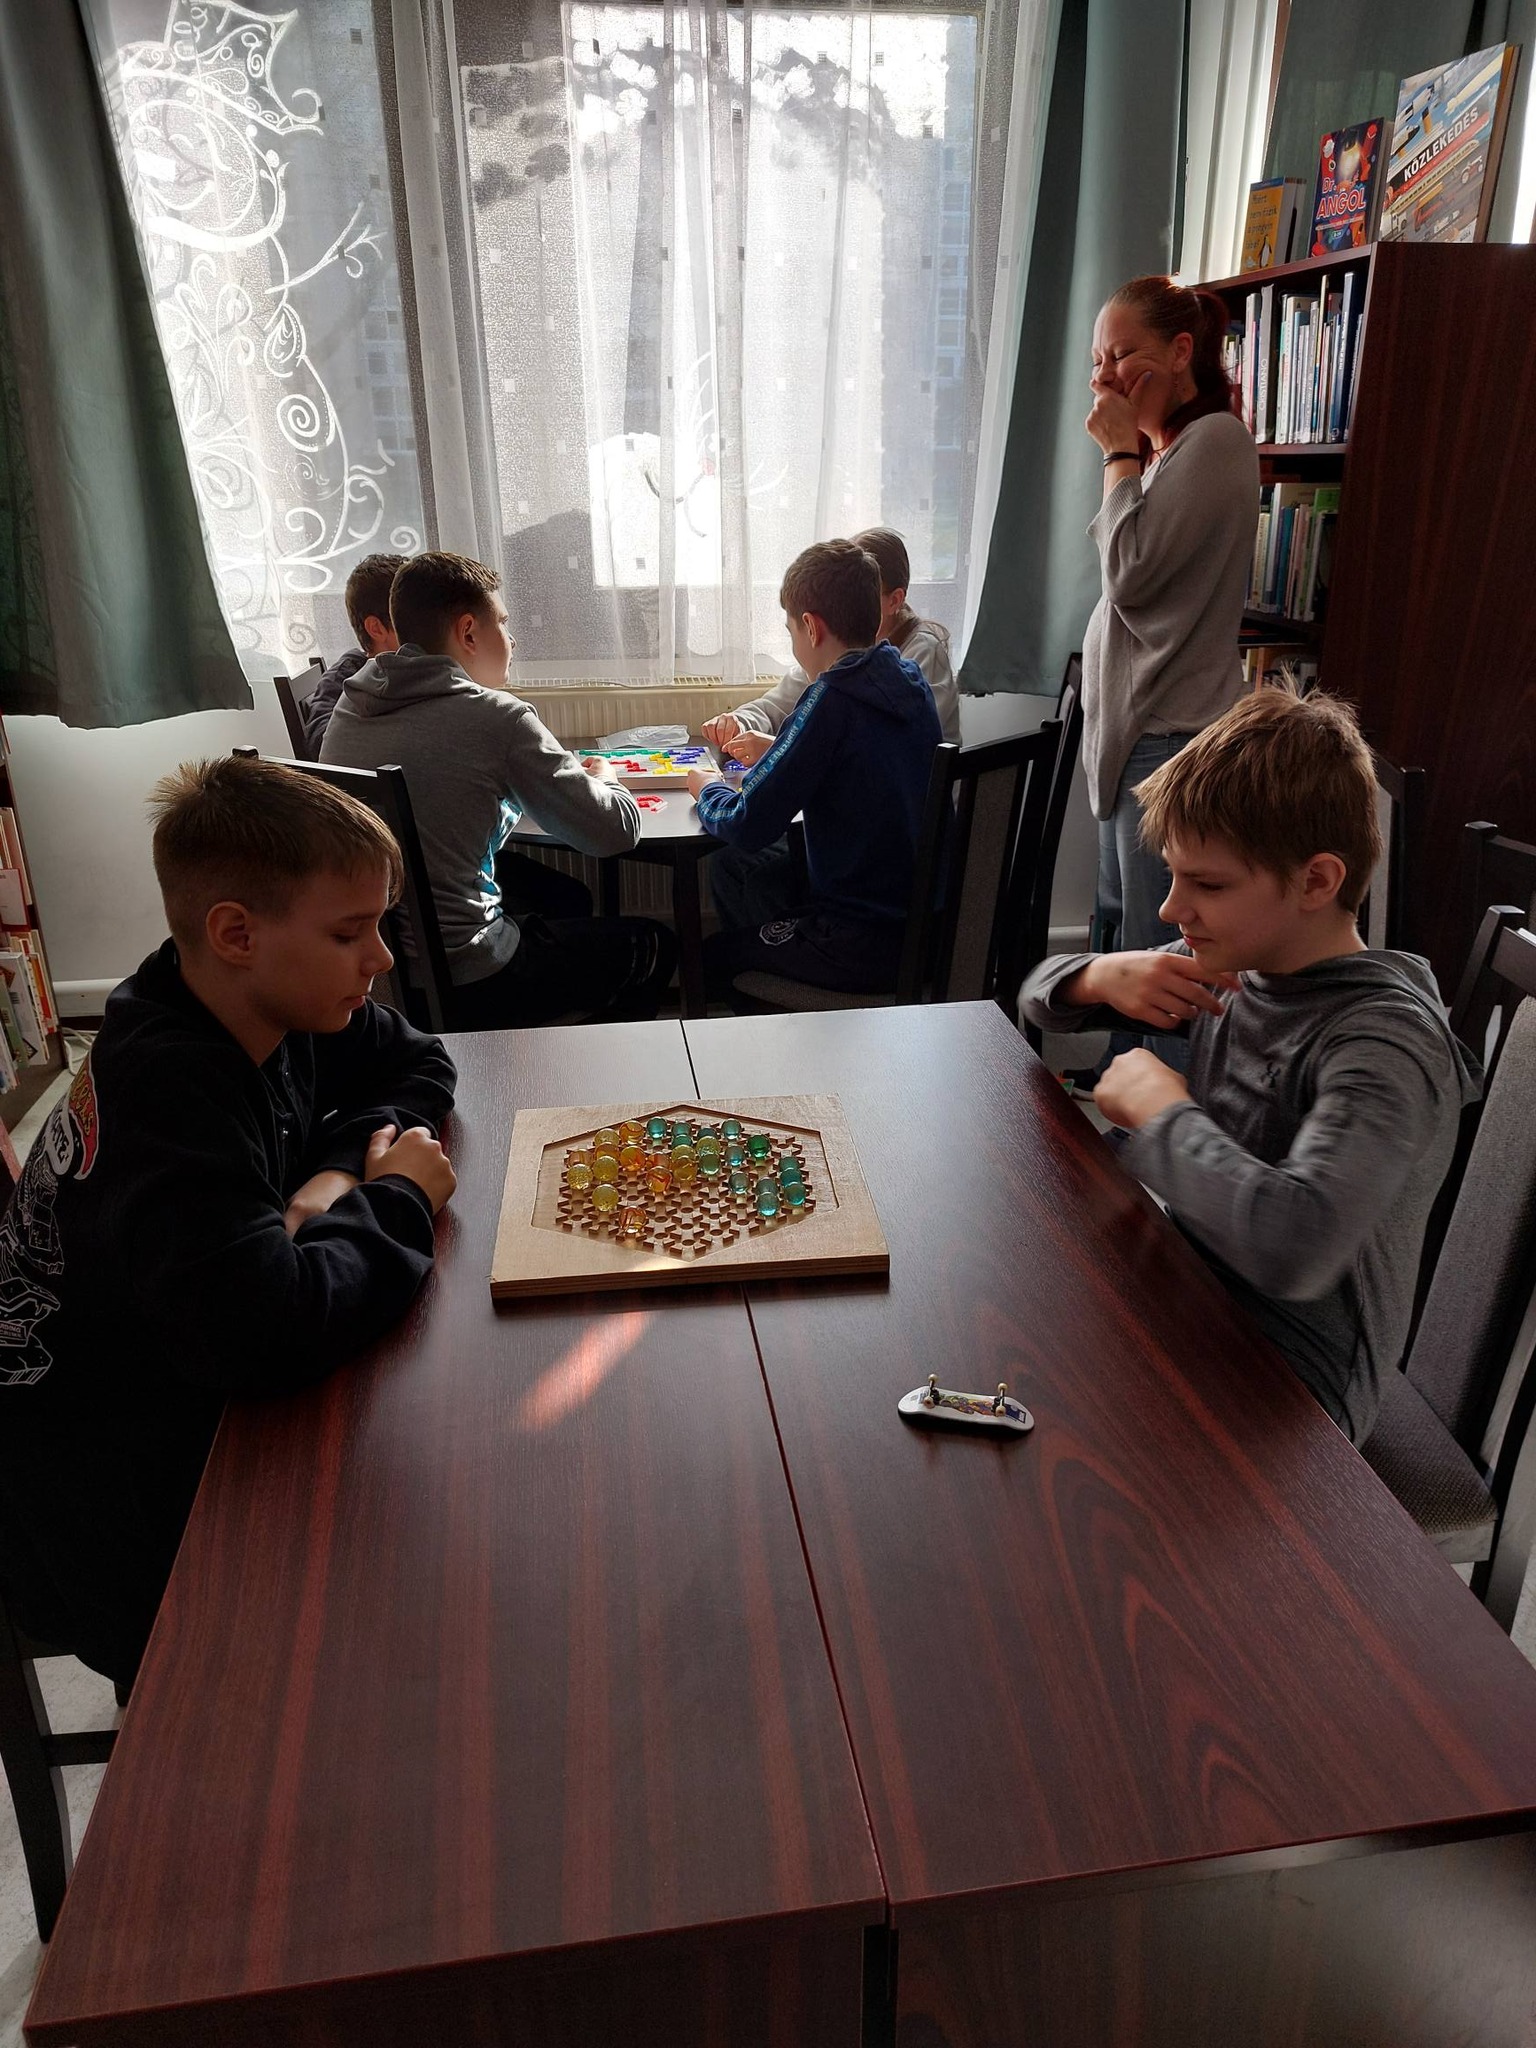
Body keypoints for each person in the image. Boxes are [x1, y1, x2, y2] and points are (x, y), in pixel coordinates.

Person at [0, 756, 458, 1686]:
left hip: (183, 1390)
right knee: (403, 1603)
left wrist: (334, 1175)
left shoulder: (245, 999)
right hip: (108, 1509)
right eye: (349, 932)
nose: (379, 959)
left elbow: (419, 1061)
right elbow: (268, 1333)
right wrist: (400, 1196)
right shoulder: (170, 1088)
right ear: (237, 933)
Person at [1019, 688, 1480, 1446]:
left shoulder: (1385, 1043)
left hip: (1294, 1392)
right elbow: (1038, 1000)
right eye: (1173, 876)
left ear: (1317, 881)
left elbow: (1295, 1246)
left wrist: (1164, 1118)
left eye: (1208, 885)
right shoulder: (1244, 960)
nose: (1171, 911)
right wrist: (1097, 977)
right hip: (1196, 1293)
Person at [321, 551, 675, 1029]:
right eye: (503, 623)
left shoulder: (350, 706)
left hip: (387, 974)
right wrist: (606, 777)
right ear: (468, 633)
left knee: (566, 898)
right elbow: (615, 832)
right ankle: (575, 1062)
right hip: (474, 973)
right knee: (655, 945)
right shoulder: (498, 718)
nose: (511, 639)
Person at [1082, 276, 1260, 967]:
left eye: (1123, 355)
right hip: (1136, 738)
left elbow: (1127, 574)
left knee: (1155, 956)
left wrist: (1118, 453)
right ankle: (1110, 1045)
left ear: (1182, 352)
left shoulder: (1215, 440)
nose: (1104, 377)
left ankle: (1169, 1051)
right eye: (1098, 360)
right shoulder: (1167, 458)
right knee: (1123, 939)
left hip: (1169, 739)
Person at [689, 539, 940, 1005]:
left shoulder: (830, 699)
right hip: (923, 930)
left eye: (791, 631)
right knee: (756, 883)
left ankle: (793, 1038)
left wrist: (707, 788)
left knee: (709, 960)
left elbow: (746, 824)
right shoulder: (909, 679)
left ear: (810, 626)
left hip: (859, 941)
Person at [302, 552, 407, 752]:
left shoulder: (421, 671)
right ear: (376, 629)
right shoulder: (342, 679)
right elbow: (320, 744)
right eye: (409, 619)